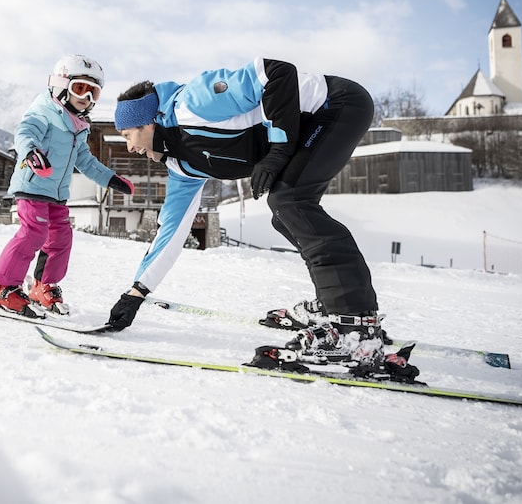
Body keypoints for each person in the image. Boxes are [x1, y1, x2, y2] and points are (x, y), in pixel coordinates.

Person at [104, 56, 387, 372]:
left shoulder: (194, 103)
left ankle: (354, 327)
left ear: (147, 123)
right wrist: (136, 293)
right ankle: (336, 307)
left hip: (336, 104)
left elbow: (276, 72)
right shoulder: (182, 165)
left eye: (127, 135)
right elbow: (170, 231)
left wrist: (278, 150)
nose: (129, 148)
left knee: (290, 202)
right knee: (286, 213)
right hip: (311, 125)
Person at [0, 55, 134, 316]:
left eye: (93, 92)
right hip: (32, 186)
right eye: (80, 88)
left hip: (56, 194)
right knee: (34, 233)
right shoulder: (44, 112)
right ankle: (1, 286)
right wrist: (30, 152)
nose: (86, 98)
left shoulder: (79, 127)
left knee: (61, 238)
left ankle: (44, 285)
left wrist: (110, 178)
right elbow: (25, 132)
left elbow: (85, 161)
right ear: (61, 86)